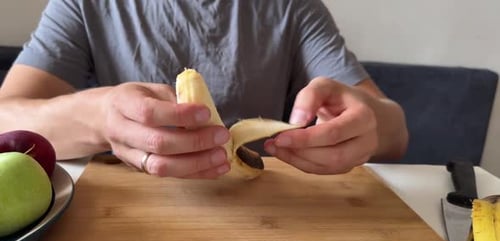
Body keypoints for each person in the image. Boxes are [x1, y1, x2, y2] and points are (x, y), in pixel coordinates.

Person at [0, 0, 408, 178]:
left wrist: (370, 124)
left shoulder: (293, 7)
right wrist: (100, 115)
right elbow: (5, 117)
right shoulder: (83, 4)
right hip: (130, 215)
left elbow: (395, 133)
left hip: (265, 219)